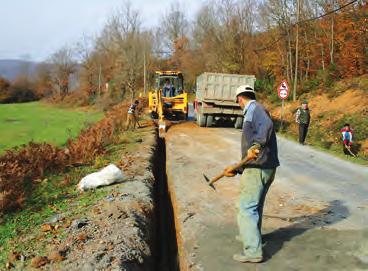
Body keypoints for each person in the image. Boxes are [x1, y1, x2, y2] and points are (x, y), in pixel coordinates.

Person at [224, 85, 280, 263]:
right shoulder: (256, 110)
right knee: (255, 206)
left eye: (238, 101)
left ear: (240, 98)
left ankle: (253, 252)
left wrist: (256, 146)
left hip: (258, 167)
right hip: (264, 166)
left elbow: (267, 126)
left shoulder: (254, 109)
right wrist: (239, 168)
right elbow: (250, 152)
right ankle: (252, 236)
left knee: (246, 208)